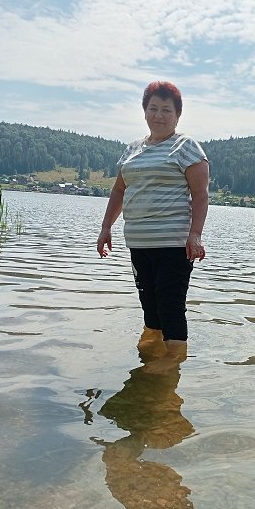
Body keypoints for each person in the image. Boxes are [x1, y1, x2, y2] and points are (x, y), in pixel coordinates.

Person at [97, 81, 209, 372]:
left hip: (173, 244)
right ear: (145, 111)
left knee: (170, 306)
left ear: (177, 114)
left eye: (166, 110)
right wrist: (106, 227)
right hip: (139, 243)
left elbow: (200, 194)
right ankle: (153, 358)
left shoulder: (186, 147)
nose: (159, 115)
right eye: (153, 108)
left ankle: (172, 361)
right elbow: (119, 190)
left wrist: (195, 235)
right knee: (149, 305)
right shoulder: (133, 149)